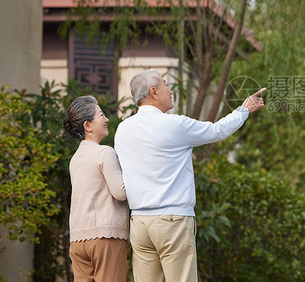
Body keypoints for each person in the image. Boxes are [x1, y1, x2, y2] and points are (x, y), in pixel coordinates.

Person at [114, 69, 265, 282]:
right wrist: (244, 109)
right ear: (154, 92)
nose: (170, 90)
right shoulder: (174, 124)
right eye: (165, 84)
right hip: (172, 220)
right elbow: (217, 131)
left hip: (139, 222)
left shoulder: (122, 129)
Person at [62, 95, 128, 282]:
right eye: (101, 115)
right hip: (106, 235)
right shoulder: (104, 152)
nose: (106, 119)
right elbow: (121, 192)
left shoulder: (75, 159)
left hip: (77, 239)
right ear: (88, 126)